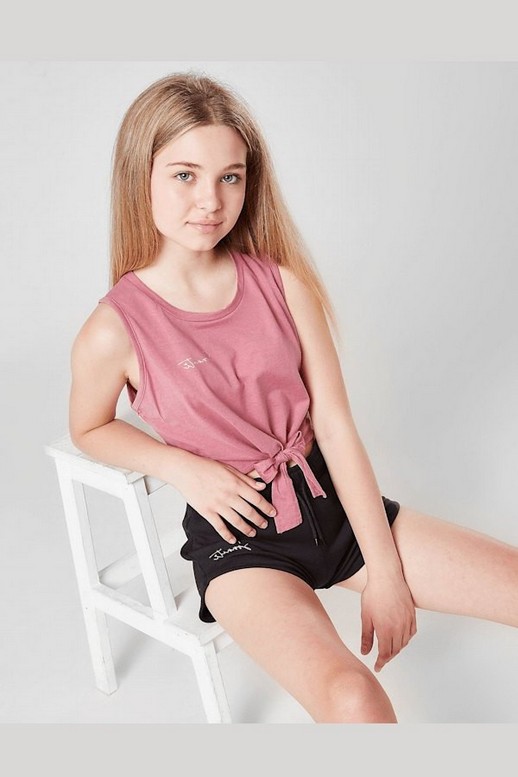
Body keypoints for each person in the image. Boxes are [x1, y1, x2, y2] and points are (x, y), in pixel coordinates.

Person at [69, 70, 518, 724]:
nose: (210, 200)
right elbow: (89, 427)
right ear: (142, 176)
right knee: (353, 698)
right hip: (241, 542)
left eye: (230, 176)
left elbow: (334, 427)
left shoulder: (282, 283)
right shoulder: (113, 328)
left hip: (332, 504)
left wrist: (387, 574)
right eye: (185, 175)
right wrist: (182, 467)